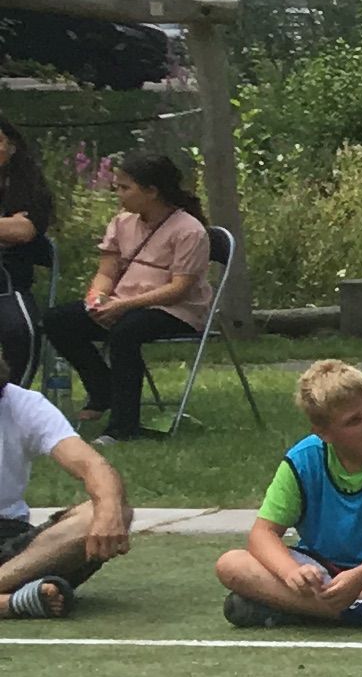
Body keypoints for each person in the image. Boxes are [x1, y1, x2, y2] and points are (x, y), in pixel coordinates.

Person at [216, 359, 362, 630]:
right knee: (230, 564)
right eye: (354, 421)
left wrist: (359, 578)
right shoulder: (303, 459)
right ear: (324, 433)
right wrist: (291, 572)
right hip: (322, 568)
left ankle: (295, 607)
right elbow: (262, 534)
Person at [43, 147, 212, 442]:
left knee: (125, 332)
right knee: (57, 320)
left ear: (151, 191)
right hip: (123, 303)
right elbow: (107, 271)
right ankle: (103, 389)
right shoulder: (122, 223)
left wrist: (124, 306)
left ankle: (123, 427)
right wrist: (97, 297)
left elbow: (178, 289)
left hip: (174, 310)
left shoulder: (190, 230)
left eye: (125, 188)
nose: (118, 194)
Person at [0, 361, 133, 621]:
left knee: (111, 510)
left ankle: (10, 594)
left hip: (15, 551)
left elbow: (92, 465)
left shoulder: (24, 404)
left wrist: (108, 509)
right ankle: (14, 600)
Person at [0, 115, 56, 390]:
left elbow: (23, 231)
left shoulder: (27, 185)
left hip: (8, 282)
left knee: (19, 331)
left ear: (12, 146)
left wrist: (13, 228)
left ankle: (12, 401)